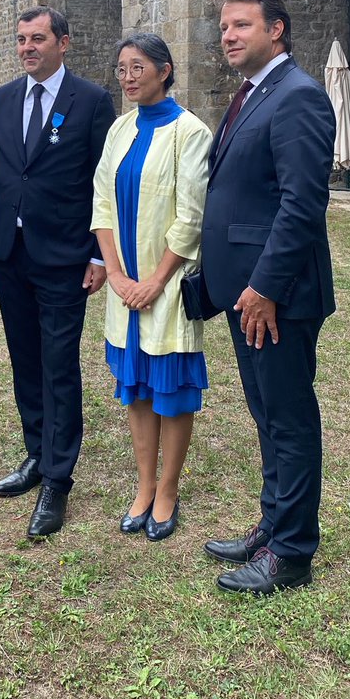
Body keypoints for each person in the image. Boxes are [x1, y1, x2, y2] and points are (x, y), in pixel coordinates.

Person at [201, 0, 336, 595]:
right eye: (224, 26)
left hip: (275, 297)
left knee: (289, 418)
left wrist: (263, 288)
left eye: (241, 26)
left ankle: (293, 555)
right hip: (245, 293)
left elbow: (302, 205)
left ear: (275, 30)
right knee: (266, 416)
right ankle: (274, 523)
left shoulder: (299, 96)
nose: (227, 35)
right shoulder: (253, 94)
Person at [0, 6, 116, 538]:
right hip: (9, 254)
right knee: (25, 358)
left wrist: (101, 254)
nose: (27, 47)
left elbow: (103, 182)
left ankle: (58, 478)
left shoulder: (92, 100)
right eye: (21, 40)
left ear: (64, 42)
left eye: (38, 39)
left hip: (64, 256)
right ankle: (36, 452)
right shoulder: (5, 98)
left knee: (58, 364)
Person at [92, 34, 212, 541]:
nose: (128, 77)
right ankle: (143, 486)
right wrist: (117, 275)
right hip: (125, 288)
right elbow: (101, 203)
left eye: (137, 67)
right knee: (137, 391)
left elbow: (191, 218)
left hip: (167, 286)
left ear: (164, 70)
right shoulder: (119, 129)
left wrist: (155, 281)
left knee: (172, 393)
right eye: (121, 69)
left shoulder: (192, 132)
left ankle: (167, 489)